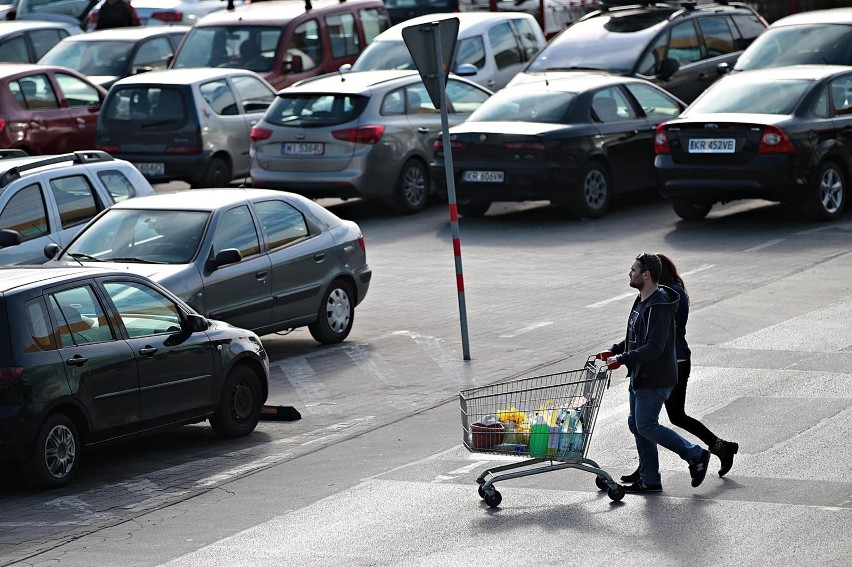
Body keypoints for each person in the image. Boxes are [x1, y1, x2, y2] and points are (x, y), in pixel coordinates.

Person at [596, 253, 710, 493]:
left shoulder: (658, 306)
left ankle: (695, 455)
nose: (630, 273)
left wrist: (622, 359)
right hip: (640, 375)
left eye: (634, 269)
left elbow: (654, 347)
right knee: (636, 424)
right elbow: (634, 337)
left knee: (646, 425)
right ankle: (649, 478)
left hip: (655, 376)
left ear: (646, 275)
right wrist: (614, 350)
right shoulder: (642, 300)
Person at [621, 254, 738, 484]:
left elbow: (657, 340)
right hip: (665, 361)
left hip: (674, 362)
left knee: (659, 420)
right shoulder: (657, 295)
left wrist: (627, 355)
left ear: (651, 274)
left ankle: (712, 450)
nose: (633, 273)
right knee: (652, 420)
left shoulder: (666, 298)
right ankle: (648, 470)